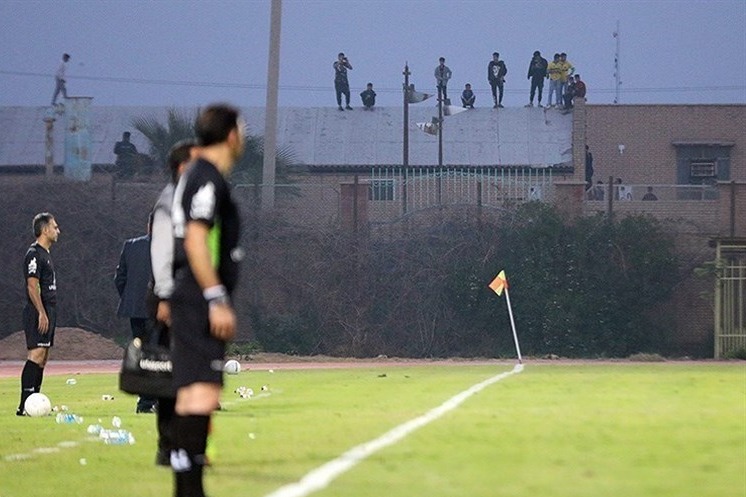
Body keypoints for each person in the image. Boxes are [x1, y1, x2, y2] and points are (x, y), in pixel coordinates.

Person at [170, 104, 245, 497]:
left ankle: (186, 489)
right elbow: (197, 238)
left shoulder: (200, 173)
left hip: (191, 296)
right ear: (231, 134)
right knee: (201, 392)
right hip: (199, 299)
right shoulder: (206, 177)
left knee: (190, 395)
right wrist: (216, 296)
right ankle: (190, 490)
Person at [149, 138, 198, 466]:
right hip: (173, 296)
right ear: (182, 167)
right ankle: (168, 446)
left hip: (193, 297)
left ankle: (190, 445)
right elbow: (161, 250)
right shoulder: (169, 201)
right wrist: (165, 295)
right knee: (171, 371)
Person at [16, 213, 60, 416]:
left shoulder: (46, 254)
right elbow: (32, 286)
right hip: (37, 310)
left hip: (48, 310)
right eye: (55, 227)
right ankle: (24, 405)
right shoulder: (34, 254)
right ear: (45, 230)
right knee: (35, 355)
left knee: (43, 358)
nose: (58, 230)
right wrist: (41, 313)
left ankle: (35, 403)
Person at [114, 225, 156, 413]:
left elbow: (120, 278)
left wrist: (131, 299)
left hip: (135, 310)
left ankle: (146, 401)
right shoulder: (168, 247)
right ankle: (150, 401)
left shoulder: (130, 246)